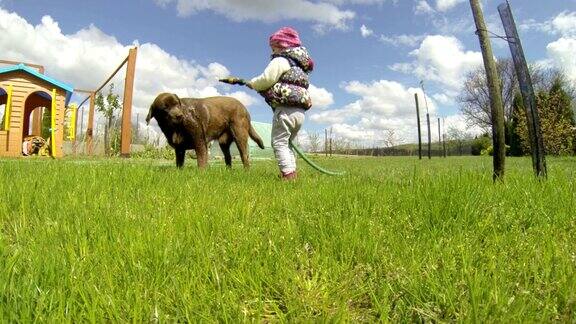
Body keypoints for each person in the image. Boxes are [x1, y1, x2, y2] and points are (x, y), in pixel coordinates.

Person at [247, 27, 314, 180]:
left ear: (283, 44)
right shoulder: (299, 67)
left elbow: (267, 79)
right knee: (288, 143)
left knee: (278, 142)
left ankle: (288, 175)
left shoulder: (281, 60)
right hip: (299, 113)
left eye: (273, 47)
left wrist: (253, 84)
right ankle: (292, 173)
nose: (272, 51)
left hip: (285, 110)